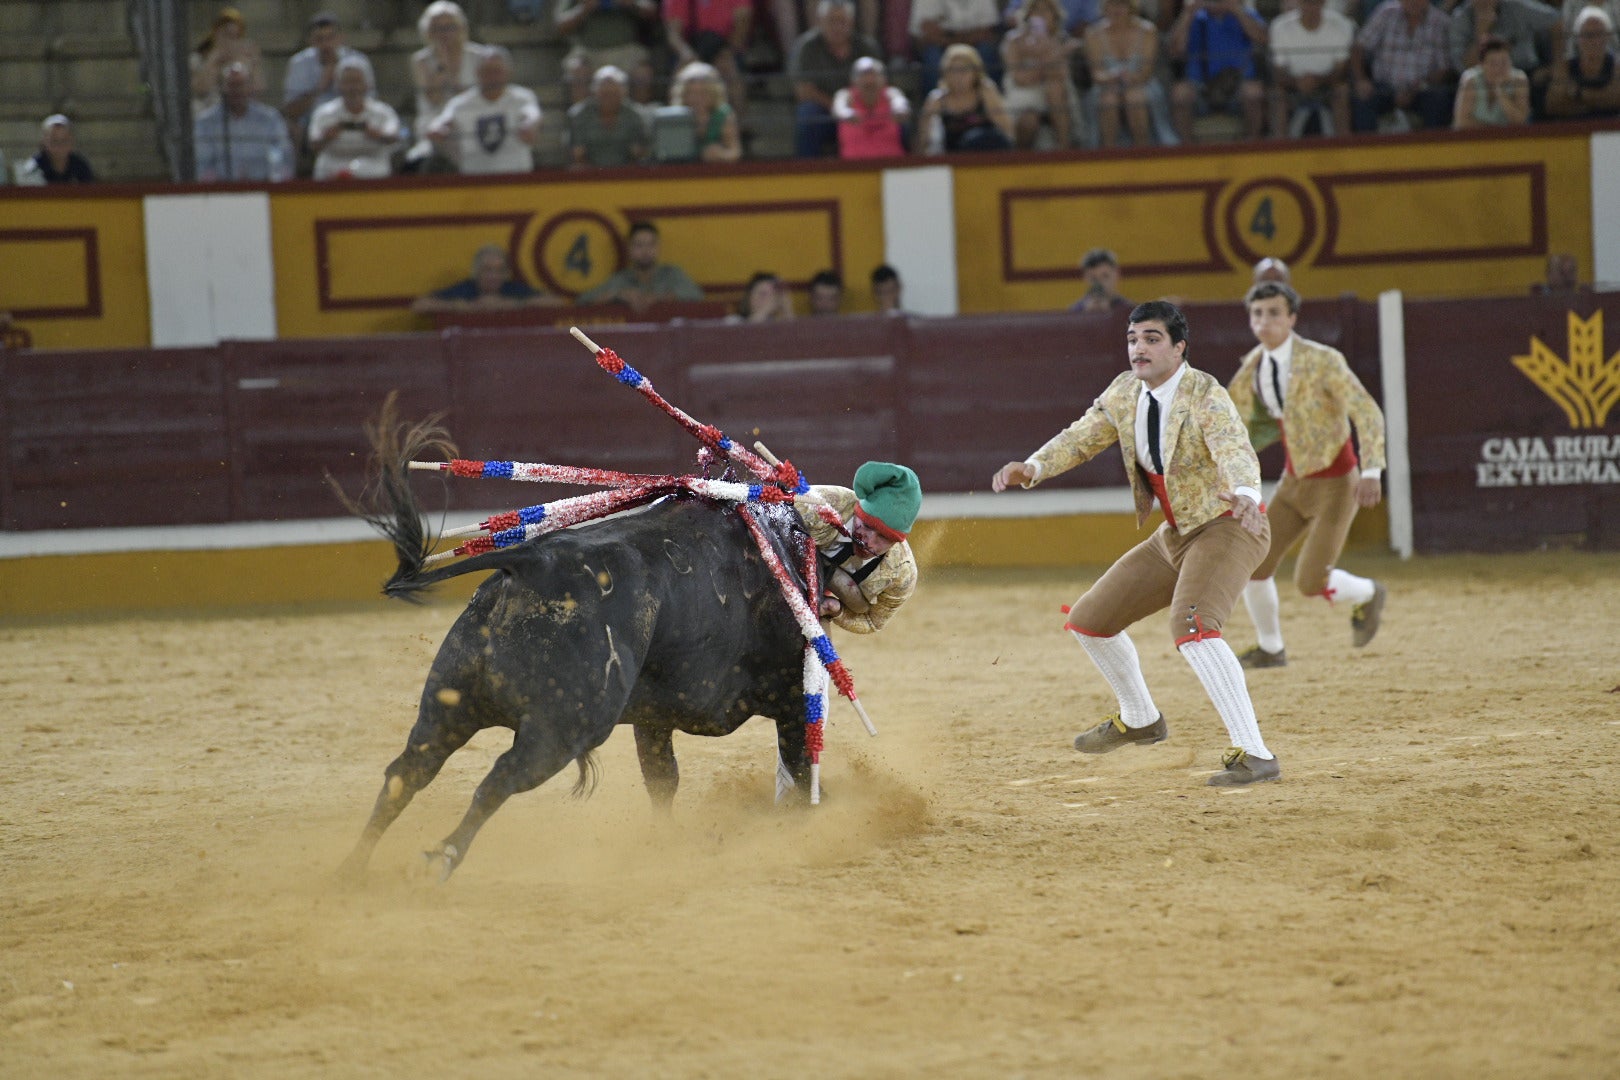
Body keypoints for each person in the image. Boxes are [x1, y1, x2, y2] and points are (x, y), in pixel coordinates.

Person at [990, 300, 1281, 787]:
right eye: (1132, 339)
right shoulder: (1126, 391)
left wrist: (1248, 494)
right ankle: (1141, 718)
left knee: (1193, 625)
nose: (1138, 348)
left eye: (1151, 339)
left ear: (1179, 347)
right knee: (1090, 620)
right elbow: (1082, 436)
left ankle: (1256, 753)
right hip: (1176, 534)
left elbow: (1234, 447)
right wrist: (1034, 466)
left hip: (1229, 525)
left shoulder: (1204, 392)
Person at [1225, 281, 1387, 670]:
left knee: (1311, 581)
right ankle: (1271, 648)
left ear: (1292, 318)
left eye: (1273, 313)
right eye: (1257, 314)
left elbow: (1365, 410)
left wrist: (1371, 469)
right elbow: (1230, 426)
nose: (1264, 322)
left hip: (1337, 483)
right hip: (1293, 482)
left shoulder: (1323, 360)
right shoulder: (1252, 368)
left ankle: (1368, 593)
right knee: (1254, 565)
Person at [794, 461, 923, 633]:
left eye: (884, 537)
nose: (869, 542)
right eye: (867, 526)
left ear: (896, 541)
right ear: (857, 511)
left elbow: (872, 622)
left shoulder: (901, 573)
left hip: (817, 602)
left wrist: (837, 611)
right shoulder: (817, 505)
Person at [427, 47, 541, 175]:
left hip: (517, 176)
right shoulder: (460, 103)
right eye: (487, 71)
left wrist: (529, 126)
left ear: (508, 72)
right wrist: (438, 129)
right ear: (477, 72)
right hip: (475, 177)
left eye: (496, 71)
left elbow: (532, 114)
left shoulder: (522, 97)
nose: (492, 77)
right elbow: (441, 121)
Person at [792, 0, 883, 157]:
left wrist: (856, 108)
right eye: (831, 21)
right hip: (825, 112)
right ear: (820, 21)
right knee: (807, 114)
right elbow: (803, 92)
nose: (837, 27)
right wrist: (838, 108)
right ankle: (806, 167)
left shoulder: (866, 47)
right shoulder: (807, 47)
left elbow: (879, 86)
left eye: (842, 21)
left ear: (852, 22)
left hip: (862, 111)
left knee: (896, 119)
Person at [1169, 0, 1268, 143]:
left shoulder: (1246, 13)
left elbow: (1263, 38)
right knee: (1180, 94)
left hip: (1237, 85)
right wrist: (1187, 14)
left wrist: (1237, 10)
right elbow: (1175, 50)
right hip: (1201, 86)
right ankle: (1188, 148)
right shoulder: (1195, 16)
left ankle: (1251, 144)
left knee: (1253, 92)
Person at [408, 1, 492, 168]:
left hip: (472, 117)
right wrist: (442, 64)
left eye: (450, 27)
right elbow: (433, 98)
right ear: (428, 32)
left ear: (461, 28)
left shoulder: (480, 56)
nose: (444, 33)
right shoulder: (420, 61)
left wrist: (453, 78)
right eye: (438, 28)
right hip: (434, 119)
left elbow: (476, 96)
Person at [1352, 0, 1455, 132]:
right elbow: (1358, 48)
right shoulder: (1386, 13)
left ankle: (1433, 145)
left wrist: (1417, 88)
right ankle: (1366, 145)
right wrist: (1361, 80)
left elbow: (1444, 69)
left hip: (1422, 89)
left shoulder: (1441, 22)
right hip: (1383, 87)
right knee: (1363, 98)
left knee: (1440, 99)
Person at [1084, 0, 1174, 148]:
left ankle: (1142, 150)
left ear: (1131, 7)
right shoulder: (1093, 33)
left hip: (1142, 84)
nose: (1116, 9)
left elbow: (1146, 72)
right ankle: (1108, 151)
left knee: (1134, 98)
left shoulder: (1148, 30)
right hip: (1107, 85)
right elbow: (1096, 74)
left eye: (1121, 4)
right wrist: (1113, 77)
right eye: (1112, 5)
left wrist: (1131, 78)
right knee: (1108, 100)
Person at [1000, 0, 1082, 148]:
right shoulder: (1014, 41)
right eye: (1036, 10)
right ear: (1027, 15)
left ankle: (1063, 147)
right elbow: (1021, 78)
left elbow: (1059, 74)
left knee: (1055, 87)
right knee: (1029, 119)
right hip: (1025, 95)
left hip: (1056, 95)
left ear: (1055, 16)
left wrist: (1046, 50)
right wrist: (1055, 56)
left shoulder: (1062, 40)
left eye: (1046, 10)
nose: (1041, 14)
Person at [1267, 0, 1355, 137]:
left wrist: (1317, 80)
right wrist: (1297, 82)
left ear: (1323, 3)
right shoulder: (1280, 26)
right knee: (1277, 95)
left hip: (1329, 84)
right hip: (1292, 86)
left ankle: (1344, 144)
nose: (1311, 7)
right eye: (1306, 3)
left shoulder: (1341, 25)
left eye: (1315, 3)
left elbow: (1341, 70)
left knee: (1341, 91)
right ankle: (1279, 145)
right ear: (1299, 3)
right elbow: (1279, 71)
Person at [194, 63, 295, 182]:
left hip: (263, 185)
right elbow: (202, 162)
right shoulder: (205, 122)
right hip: (221, 187)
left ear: (250, 87)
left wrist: (274, 179)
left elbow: (281, 155)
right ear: (222, 88)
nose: (237, 91)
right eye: (232, 85)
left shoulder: (270, 119)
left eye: (241, 85)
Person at [307, 57, 401, 180]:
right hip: (333, 162)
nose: (353, 88)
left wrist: (377, 134)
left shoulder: (383, 112)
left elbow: (394, 137)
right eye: (347, 82)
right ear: (338, 85)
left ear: (367, 84)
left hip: (372, 163)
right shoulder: (324, 113)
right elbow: (313, 143)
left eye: (357, 82)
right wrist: (327, 136)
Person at [578, 221, 705, 311]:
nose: (645, 251)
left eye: (651, 244)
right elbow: (582, 302)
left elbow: (697, 297)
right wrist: (619, 296)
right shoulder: (620, 279)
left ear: (658, 247)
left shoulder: (672, 274)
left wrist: (659, 299)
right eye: (639, 245)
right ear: (629, 249)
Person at [282, 12, 374, 131]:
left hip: (356, 121)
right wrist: (320, 87)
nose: (326, 45)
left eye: (331, 38)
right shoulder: (299, 63)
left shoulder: (359, 61)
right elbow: (291, 111)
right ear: (311, 40)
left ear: (341, 38)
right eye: (319, 39)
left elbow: (371, 101)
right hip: (311, 125)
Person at [916, 42, 1016, 152]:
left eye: (964, 70)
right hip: (957, 157)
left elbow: (1006, 129)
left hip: (988, 153)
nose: (958, 77)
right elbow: (923, 140)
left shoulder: (985, 91)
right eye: (953, 71)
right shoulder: (937, 99)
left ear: (975, 72)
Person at [556, 0, 660, 105]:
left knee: (643, 73)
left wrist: (631, 4)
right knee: (577, 70)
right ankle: (583, 114)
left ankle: (639, 114)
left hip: (627, 50)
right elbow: (560, 26)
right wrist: (584, 8)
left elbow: (652, 12)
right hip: (587, 51)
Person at [663, 0, 753, 119]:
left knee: (730, 69)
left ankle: (739, 123)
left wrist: (727, 53)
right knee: (683, 70)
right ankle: (675, 122)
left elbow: (743, 23)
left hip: (725, 46)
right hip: (691, 47)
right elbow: (673, 34)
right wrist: (688, 55)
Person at [412, 245, 565, 313]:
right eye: (487, 270)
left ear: (506, 273)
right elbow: (420, 305)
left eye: (499, 270)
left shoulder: (512, 289)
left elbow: (556, 302)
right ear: (476, 272)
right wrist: (467, 307)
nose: (493, 276)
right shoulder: (466, 288)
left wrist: (513, 305)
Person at [910, 0, 1006, 97]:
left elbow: (987, 31)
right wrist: (964, 37)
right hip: (941, 47)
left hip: (974, 47)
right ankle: (937, 102)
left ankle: (988, 100)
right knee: (932, 56)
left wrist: (949, 37)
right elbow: (926, 33)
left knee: (987, 51)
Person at [1543, 6, 1620, 118]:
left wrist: (1578, 94)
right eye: (1588, 35)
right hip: (1573, 126)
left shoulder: (1616, 66)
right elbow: (1553, 105)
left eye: (1599, 34)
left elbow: (1615, 98)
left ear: (1607, 37)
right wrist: (1599, 99)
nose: (1594, 41)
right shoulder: (1565, 67)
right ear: (1577, 38)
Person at [568, 65, 651, 167]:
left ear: (623, 93)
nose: (609, 99)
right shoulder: (579, 115)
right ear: (594, 92)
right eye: (604, 94)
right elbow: (577, 153)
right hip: (589, 172)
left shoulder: (636, 115)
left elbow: (640, 153)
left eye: (613, 94)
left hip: (628, 172)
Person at [191, 7, 264, 117]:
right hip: (206, 114)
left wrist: (254, 64)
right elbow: (201, 89)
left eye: (235, 37)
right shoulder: (198, 59)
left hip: (238, 115)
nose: (230, 42)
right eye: (226, 35)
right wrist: (213, 61)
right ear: (215, 34)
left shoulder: (243, 62)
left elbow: (258, 91)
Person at [833, 56, 912, 158]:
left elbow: (901, 104)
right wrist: (847, 114)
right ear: (854, 80)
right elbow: (838, 108)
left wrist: (900, 110)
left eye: (874, 75)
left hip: (891, 161)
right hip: (854, 163)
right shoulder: (846, 95)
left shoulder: (891, 93)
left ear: (883, 79)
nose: (869, 81)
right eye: (864, 76)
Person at [1452, 35, 1531, 126]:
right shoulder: (1470, 80)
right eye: (1493, 63)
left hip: (1508, 135)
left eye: (1504, 62)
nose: (1499, 68)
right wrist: (1494, 131)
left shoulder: (1519, 80)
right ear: (1482, 64)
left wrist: (1501, 94)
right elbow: (1461, 122)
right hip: (1473, 135)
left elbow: (1521, 121)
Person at [671, 62, 742, 162]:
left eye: (703, 93)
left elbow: (735, 152)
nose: (697, 99)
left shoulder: (723, 115)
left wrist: (721, 154)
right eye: (692, 93)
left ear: (714, 93)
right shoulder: (675, 117)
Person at [27, 115, 96, 184]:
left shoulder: (81, 167)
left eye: (64, 141)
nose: (59, 146)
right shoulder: (33, 168)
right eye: (54, 141)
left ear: (72, 141)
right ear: (44, 142)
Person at [1069, 247, 1132, 313]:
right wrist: (1085, 316)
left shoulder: (1130, 312)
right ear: (1085, 278)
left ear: (1116, 275)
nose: (1100, 282)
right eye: (1093, 278)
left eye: (1105, 276)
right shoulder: (1074, 313)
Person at [731, 271, 796, 321]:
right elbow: (745, 331)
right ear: (749, 297)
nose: (770, 300)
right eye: (763, 294)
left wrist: (787, 311)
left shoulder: (775, 322)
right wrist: (766, 309)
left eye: (774, 295)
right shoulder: (733, 320)